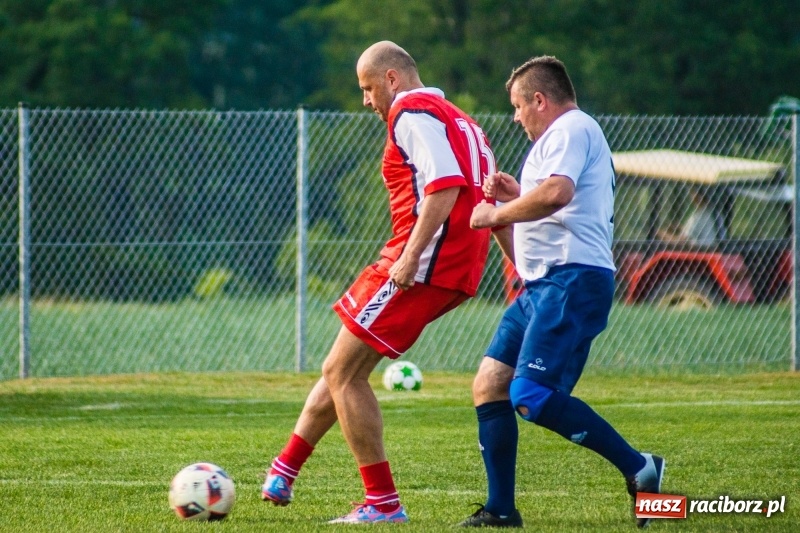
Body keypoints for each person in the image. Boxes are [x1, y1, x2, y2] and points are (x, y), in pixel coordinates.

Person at [260, 41, 507, 524]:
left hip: (424, 261)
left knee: (343, 372)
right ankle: (283, 470)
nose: (367, 101)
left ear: (392, 78)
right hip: (449, 263)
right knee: (342, 366)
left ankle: (382, 503)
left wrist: (411, 256)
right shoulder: (457, 116)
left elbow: (445, 186)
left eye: (368, 88)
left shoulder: (411, 111)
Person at [462, 56, 665, 529]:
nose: (515, 117)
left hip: (572, 280)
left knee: (530, 394)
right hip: (542, 286)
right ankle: (501, 510)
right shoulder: (549, 147)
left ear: (540, 99)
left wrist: (496, 213)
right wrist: (509, 203)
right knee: (489, 386)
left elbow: (557, 195)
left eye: (517, 106)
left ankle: (641, 467)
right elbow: (529, 247)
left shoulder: (572, 128)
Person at [657, 188, 725, 245]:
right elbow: (696, 230)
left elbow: (682, 241)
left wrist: (660, 233)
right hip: (711, 249)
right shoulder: (714, 212)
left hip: (700, 253)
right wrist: (680, 227)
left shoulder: (700, 215)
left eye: (692, 193)